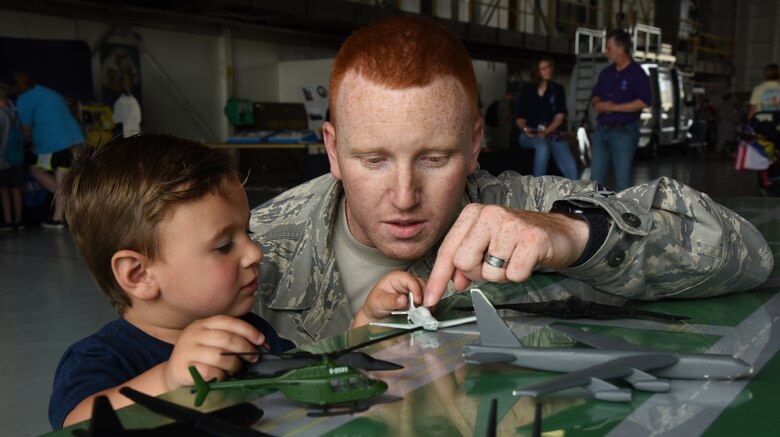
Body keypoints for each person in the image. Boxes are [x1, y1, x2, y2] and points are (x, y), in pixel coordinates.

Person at [249, 16, 773, 346]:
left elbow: (747, 255)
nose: (404, 197)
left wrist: (571, 237)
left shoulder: (522, 208)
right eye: (374, 160)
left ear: (475, 142)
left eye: (435, 159)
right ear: (333, 150)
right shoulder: (257, 246)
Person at [49, 134, 425, 429]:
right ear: (139, 274)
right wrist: (168, 379)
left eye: (247, 232)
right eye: (225, 245)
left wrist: (365, 327)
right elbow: (75, 427)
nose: (254, 253)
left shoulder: (252, 334)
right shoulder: (100, 359)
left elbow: (311, 373)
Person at [14, 72, 85, 228]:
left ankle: (69, 207)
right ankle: (58, 218)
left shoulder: (24, 99)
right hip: (75, 140)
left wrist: (27, 140)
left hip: (52, 144)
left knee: (36, 170)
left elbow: (26, 129)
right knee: (63, 178)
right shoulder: (48, 92)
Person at [589, 29, 652, 191]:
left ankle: (620, 215)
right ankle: (595, 213)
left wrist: (614, 107)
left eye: (609, 48)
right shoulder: (606, 73)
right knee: (595, 179)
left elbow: (644, 101)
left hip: (623, 131)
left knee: (622, 181)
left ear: (621, 49)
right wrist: (598, 103)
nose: (606, 51)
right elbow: (595, 95)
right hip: (601, 130)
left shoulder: (637, 74)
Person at [515, 57, 578, 180]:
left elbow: (559, 117)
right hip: (530, 133)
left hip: (552, 133)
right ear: (537, 71)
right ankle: (538, 186)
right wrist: (526, 129)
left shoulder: (557, 89)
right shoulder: (527, 90)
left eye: (549, 67)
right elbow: (519, 119)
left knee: (571, 167)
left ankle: (575, 194)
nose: (548, 70)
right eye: (543, 68)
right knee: (542, 146)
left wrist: (546, 131)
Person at [0, 81, 25, 231]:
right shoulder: (14, 111)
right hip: (16, 155)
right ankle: (19, 219)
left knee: (4, 190)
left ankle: (8, 221)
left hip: (2, 158)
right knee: (16, 189)